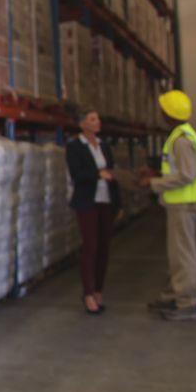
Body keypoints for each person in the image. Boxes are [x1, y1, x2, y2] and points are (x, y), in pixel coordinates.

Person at [141, 90, 196, 321]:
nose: (160, 114)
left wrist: (154, 182)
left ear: (169, 114)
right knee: (176, 253)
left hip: (184, 204)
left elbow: (187, 175)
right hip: (181, 203)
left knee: (183, 255)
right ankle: (173, 295)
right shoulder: (182, 135)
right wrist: (159, 173)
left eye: (163, 110)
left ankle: (187, 303)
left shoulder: (181, 140)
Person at [66, 108, 122, 315]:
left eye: (97, 118)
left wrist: (119, 203)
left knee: (104, 248)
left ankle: (99, 290)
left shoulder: (104, 146)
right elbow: (77, 175)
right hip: (87, 202)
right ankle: (88, 293)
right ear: (82, 124)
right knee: (91, 247)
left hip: (106, 201)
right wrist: (98, 175)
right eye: (92, 119)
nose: (97, 122)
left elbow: (112, 174)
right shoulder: (75, 147)